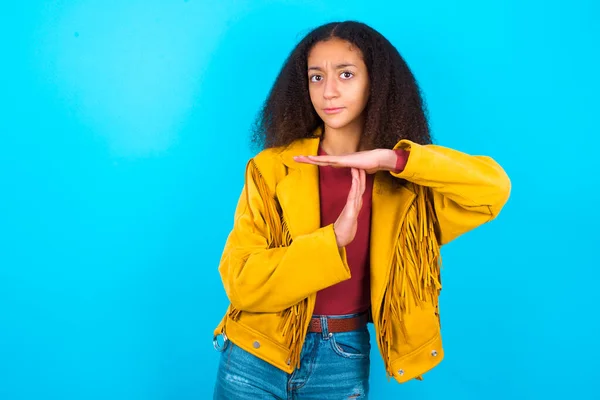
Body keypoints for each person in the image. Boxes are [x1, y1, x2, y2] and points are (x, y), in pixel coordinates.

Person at [211, 20, 511, 399]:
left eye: (346, 74)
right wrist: (332, 240)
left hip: (342, 356)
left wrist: (394, 159)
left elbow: (493, 188)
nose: (328, 91)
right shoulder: (272, 168)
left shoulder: (410, 186)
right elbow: (241, 283)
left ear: (377, 84)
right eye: (316, 77)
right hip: (253, 354)